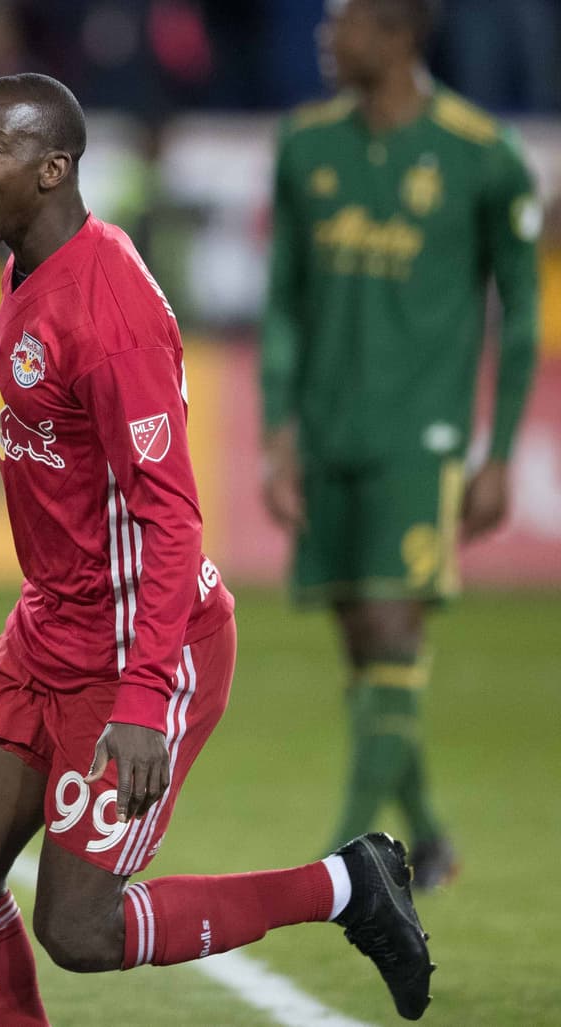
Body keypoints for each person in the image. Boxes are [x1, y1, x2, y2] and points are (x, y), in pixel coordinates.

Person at [0, 73, 434, 1025]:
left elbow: (173, 522)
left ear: (52, 169)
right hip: (50, 625)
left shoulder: (112, 312)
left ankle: (346, 885)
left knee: (80, 929)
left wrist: (141, 700)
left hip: (137, 647)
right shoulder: (33, 269)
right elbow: (10, 378)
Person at [260, 0, 539, 890]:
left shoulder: (483, 154)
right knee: (364, 645)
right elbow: (284, 300)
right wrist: (277, 432)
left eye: (343, 21)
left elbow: (522, 313)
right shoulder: (304, 146)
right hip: (329, 430)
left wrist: (499, 452)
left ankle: (340, 861)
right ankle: (432, 838)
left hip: (423, 437)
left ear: (398, 34)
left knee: (389, 625)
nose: (326, 35)